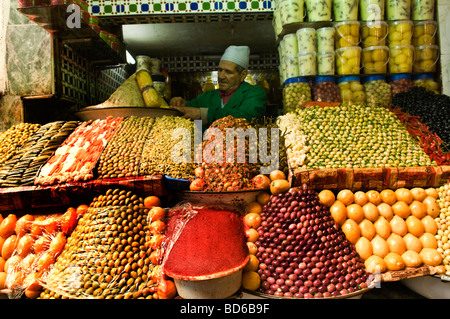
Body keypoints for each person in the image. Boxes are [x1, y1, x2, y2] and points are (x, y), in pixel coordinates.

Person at [170, 45, 267, 127]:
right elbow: (186, 110)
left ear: (242, 75)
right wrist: (179, 103)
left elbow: (247, 117)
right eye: (220, 70)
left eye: (228, 72)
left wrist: (204, 114)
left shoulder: (255, 93)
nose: (221, 76)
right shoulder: (207, 97)